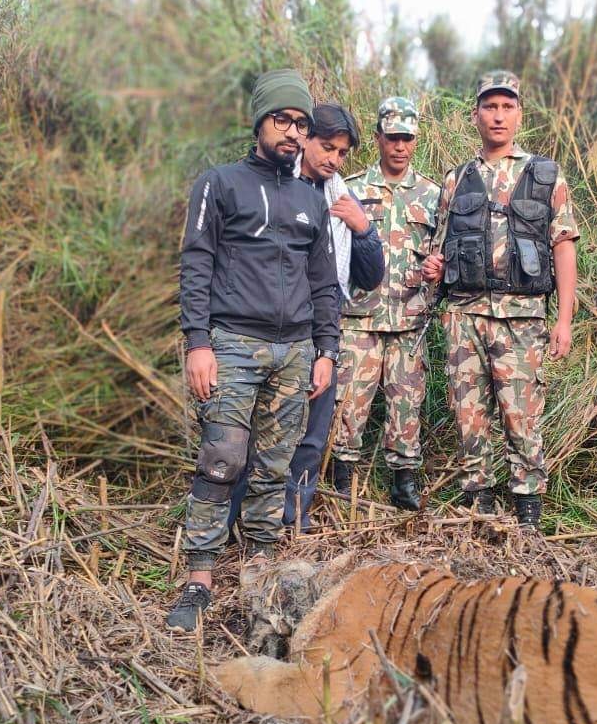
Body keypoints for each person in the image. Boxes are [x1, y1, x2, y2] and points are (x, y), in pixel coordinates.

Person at [167, 69, 341, 632]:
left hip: (294, 351)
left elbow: (324, 283)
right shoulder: (219, 184)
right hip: (233, 344)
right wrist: (198, 343)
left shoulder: (310, 199)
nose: (292, 132)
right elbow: (197, 263)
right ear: (260, 122)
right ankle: (199, 576)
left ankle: (262, 562)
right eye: (282, 120)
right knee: (222, 459)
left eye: (301, 124)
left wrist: (325, 350)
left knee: (274, 465)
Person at [422, 71, 578, 530]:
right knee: (468, 412)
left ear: (519, 115)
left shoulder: (545, 174)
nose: (498, 115)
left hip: (522, 318)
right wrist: (433, 267)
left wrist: (563, 320)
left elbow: (564, 246)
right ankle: (479, 500)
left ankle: (528, 506)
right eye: (490, 106)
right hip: (464, 315)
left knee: (521, 412)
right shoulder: (457, 179)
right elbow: (439, 246)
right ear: (476, 115)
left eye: (507, 107)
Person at [228, 102, 386, 532]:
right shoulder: (276, 185)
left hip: (321, 326)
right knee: (253, 434)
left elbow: (370, 277)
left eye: (341, 153)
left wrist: (364, 230)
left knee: (311, 437)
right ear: (305, 138)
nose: (333, 160)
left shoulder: (340, 196)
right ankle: (233, 525)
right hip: (266, 327)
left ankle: (292, 523)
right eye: (327, 147)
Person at [332, 97, 442, 510]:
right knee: (348, 404)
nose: (399, 146)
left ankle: (403, 484)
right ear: (377, 138)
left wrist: (437, 266)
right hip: (359, 317)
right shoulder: (352, 189)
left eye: (407, 138)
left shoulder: (433, 194)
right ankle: (341, 483)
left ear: (416, 140)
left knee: (406, 405)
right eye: (392, 137)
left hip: (410, 317)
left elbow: (442, 250)